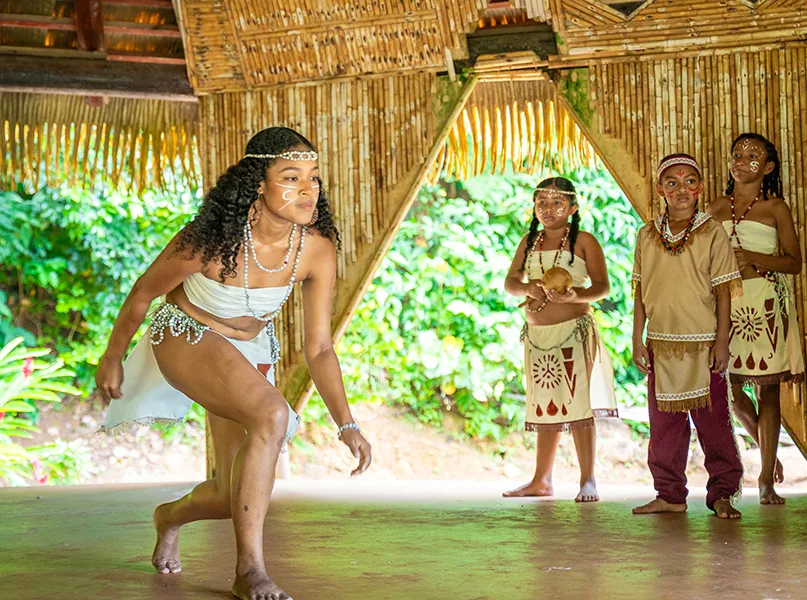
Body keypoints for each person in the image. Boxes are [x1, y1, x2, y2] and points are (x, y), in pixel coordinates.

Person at [95, 127, 372, 600]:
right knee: (272, 414)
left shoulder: (316, 248)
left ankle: (169, 517)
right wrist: (112, 356)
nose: (308, 189)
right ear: (257, 185)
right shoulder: (211, 239)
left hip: (248, 350)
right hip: (185, 334)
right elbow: (143, 292)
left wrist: (347, 423)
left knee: (232, 493)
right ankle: (250, 572)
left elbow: (321, 348)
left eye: (313, 177)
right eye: (291, 177)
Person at [631, 153, 743, 519]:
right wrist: (637, 338)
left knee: (714, 422)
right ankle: (670, 495)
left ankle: (723, 493)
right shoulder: (647, 235)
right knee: (664, 426)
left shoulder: (712, 232)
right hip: (661, 343)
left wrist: (722, 340)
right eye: (672, 182)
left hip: (703, 342)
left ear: (700, 188)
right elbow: (639, 290)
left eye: (689, 181)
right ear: (660, 189)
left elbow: (723, 290)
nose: (681, 189)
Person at [503, 177, 617, 502]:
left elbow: (603, 287)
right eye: (541, 203)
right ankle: (541, 480)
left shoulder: (584, 241)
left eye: (557, 203)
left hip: (574, 331)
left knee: (578, 402)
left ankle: (588, 479)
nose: (548, 209)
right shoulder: (529, 241)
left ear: (573, 208)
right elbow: (510, 282)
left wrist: (574, 296)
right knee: (544, 403)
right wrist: (527, 287)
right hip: (538, 336)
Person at [708, 133, 804, 505]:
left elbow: (794, 263)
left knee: (768, 393)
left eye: (752, 155)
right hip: (725, 307)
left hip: (764, 303)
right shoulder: (716, 207)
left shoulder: (775, 207)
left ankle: (765, 480)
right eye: (736, 153)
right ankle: (768, 453)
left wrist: (754, 258)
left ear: (768, 167)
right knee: (731, 393)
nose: (741, 159)